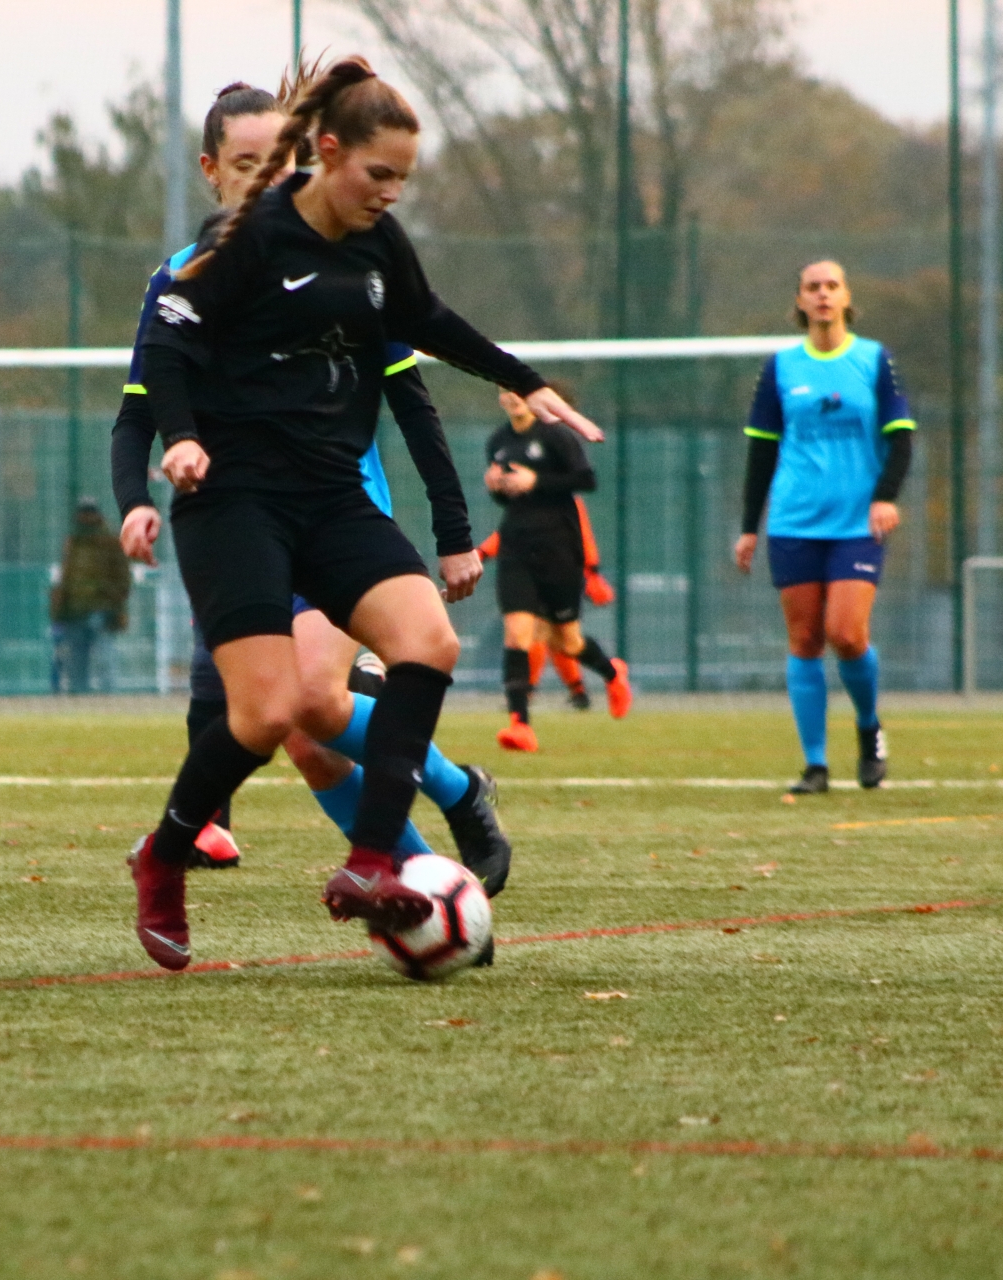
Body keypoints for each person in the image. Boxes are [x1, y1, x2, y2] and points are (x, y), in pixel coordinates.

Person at [124, 57, 603, 970]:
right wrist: (179, 439)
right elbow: (169, 341)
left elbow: (432, 320)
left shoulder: (379, 243)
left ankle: (376, 861)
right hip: (235, 503)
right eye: (379, 173)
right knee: (269, 715)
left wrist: (526, 382)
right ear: (329, 152)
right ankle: (165, 855)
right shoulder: (253, 236)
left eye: (404, 179)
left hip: (332, 494)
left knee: (429, 642)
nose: (391, 193)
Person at [734, 260, 913, 794]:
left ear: (846, 297)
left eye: (832, 286)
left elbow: (901, 437)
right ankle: (815, 765)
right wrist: (749, 527)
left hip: (856, 522)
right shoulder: (781, 367)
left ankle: (868, 727)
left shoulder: (873, 359)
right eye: (813, 287)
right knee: (806, 639)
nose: (823, 294)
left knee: (847, 634)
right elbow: (761, 452)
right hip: (794, 521)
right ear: (800, 300)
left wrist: (885, 497)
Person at [483, 386, 632, 752]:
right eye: (504, 390)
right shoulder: (498, 442)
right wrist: (497, 487)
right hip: (516, 549)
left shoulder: (556, 436)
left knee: (567, 641)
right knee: (517, 633)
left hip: (560, 550)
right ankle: (520, 724)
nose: (512, 396)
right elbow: (506, 498)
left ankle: (612, 672)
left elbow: (586, 480)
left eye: (517, 389)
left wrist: (536, 481)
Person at [50, 498, 132, 694]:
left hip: (101, 609)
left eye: (89, 512)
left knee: (103, 657)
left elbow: (122, 577)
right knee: (78, 660)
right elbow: (66, 578)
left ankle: (107, 697)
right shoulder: (73, 542)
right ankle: (81, 698)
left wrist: (113, 601)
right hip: (75, 610)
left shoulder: (109, 541)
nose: (85, 517)